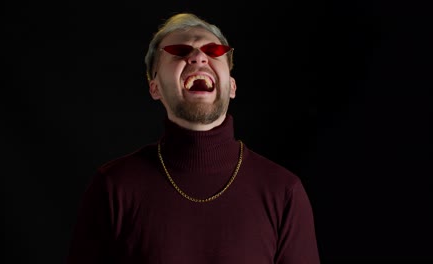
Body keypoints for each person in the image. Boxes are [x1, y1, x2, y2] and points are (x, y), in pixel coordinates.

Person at [66, 12, 320, 264]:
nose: (198, 57)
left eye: (213, 51)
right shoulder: (113, 186)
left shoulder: (284, 191)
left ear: (232, 86)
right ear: (155, 88)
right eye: (179, 51)